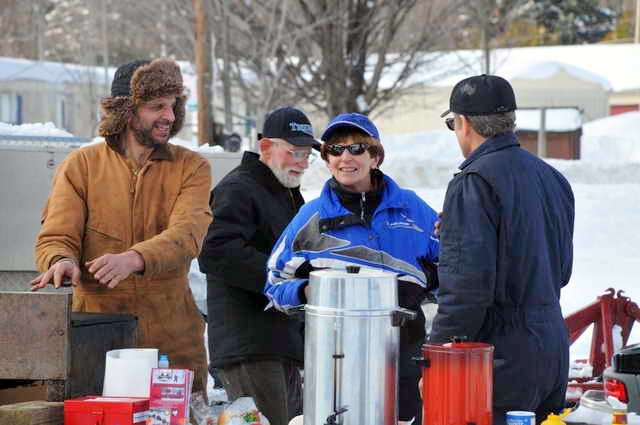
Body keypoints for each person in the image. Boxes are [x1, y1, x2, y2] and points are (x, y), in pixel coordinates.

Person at [31, 59, 212, 395]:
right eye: (157, 106)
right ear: (126, 111)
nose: (170, 117)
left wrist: (134, 258)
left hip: (172, 344)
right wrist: (60, 261)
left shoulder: (192, 167)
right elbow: (57, 235)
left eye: (173, 106)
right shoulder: (81, 166)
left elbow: (188, 234)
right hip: (96, 340)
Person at [264, 113, 440, 424]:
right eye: (335, 149)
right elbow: (273, 285)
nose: (346, 157)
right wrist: (307, 290)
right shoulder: (311, 216)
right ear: (327, 159)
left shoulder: (413, 210)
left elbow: (453, 273)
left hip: (404, 361)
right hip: (334, 365)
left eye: (357, 148)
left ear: (376, 157)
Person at [430, 74, 574, 424]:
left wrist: (435, 361)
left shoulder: (475, 182)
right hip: (552, 347)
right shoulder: (553, 178)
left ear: (463, 123)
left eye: (452, 124)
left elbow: (465, 292)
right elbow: (562, 270)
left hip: (499, 357)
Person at [198, 107, 319, 425]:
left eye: (308, 155)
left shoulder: (287, 193)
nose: (303, 163)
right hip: (249, 346)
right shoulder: (239, 188)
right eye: (295, 152)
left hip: (280, 342)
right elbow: (216, 251)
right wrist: (284, 278)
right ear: (266, 147)